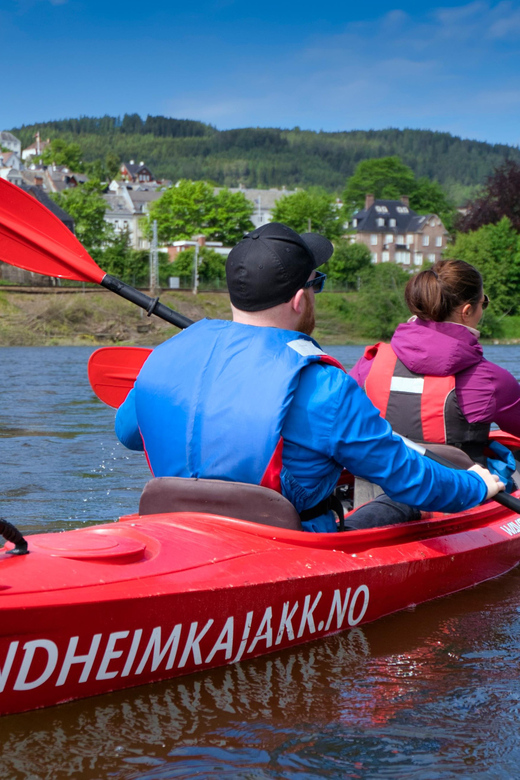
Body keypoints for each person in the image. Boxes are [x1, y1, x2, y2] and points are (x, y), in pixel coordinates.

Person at [115, 225, 503, 532]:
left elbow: (129, 432)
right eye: (316, 283)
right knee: (401, 504)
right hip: (288, 542)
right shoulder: (326, 386)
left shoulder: (166, 356)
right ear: (300, 299)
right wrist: (478, 486)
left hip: (178, 529)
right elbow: (411, 479)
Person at [349, 258, 520, 487]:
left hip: (374, 494)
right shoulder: (490, 380)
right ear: (467, 311)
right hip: (456, 505)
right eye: (483, 303)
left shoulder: (369, 363)